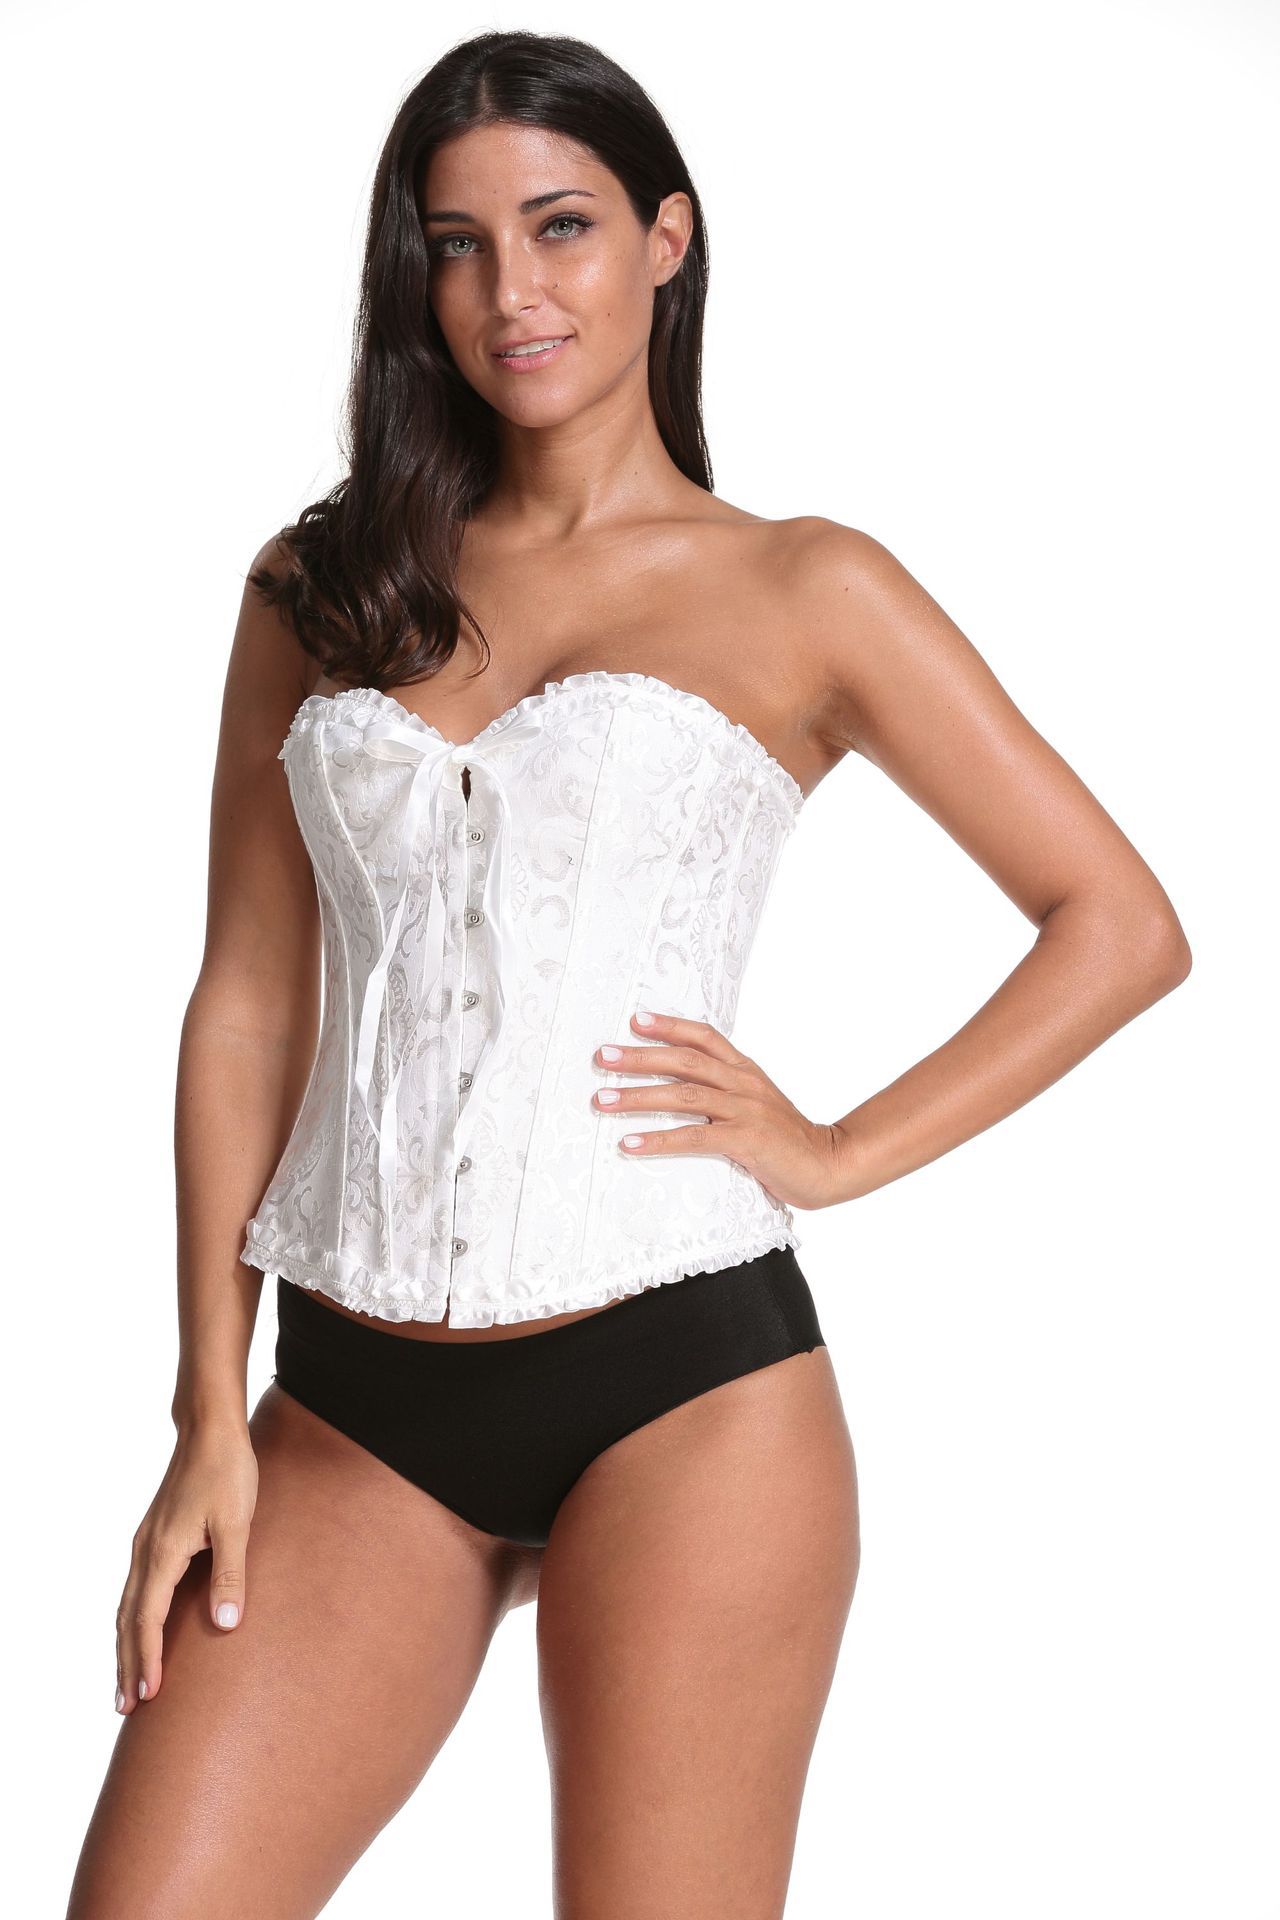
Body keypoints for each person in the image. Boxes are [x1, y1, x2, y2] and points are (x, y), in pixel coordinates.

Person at [66, 28, 1192, 1920]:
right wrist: (204, 1408)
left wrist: (835, 1149)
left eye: (562, 226)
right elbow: (246, 1004)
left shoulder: (804, 587)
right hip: (348, 1405)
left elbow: (1119, 922)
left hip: (686, 1389)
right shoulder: (321, 587)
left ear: (668, 239)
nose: (511, 290)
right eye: (457, 243)